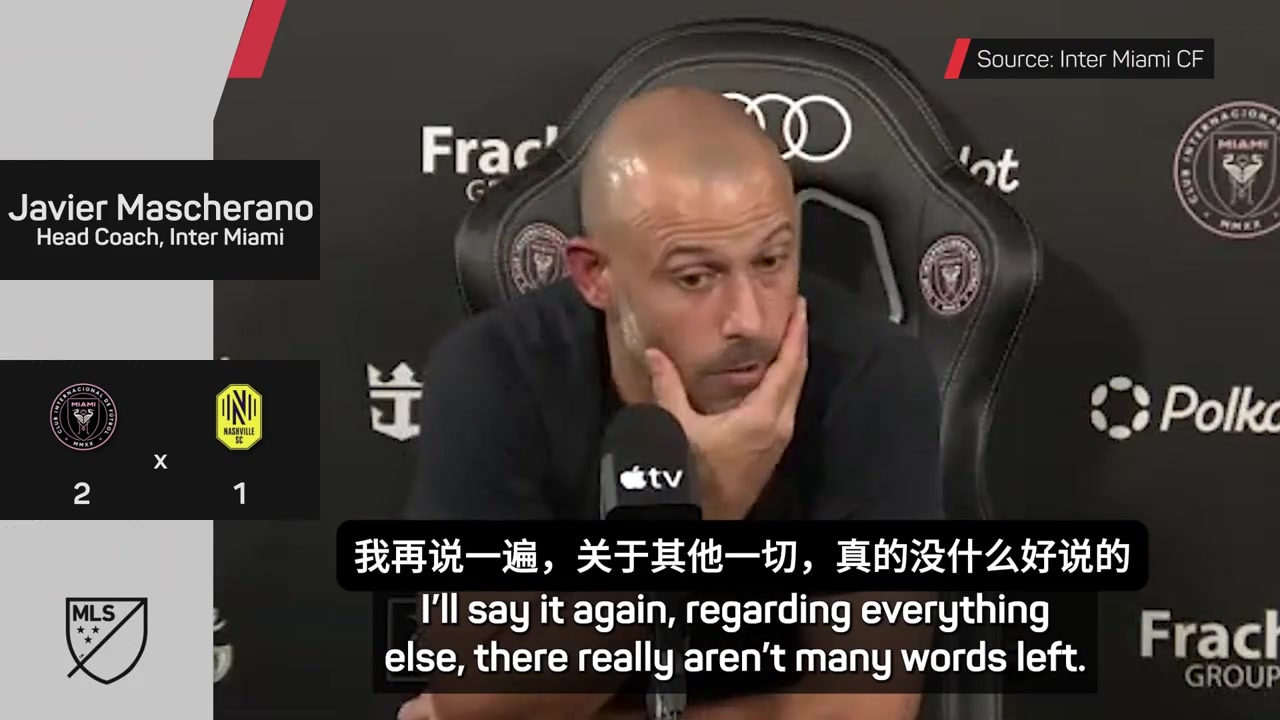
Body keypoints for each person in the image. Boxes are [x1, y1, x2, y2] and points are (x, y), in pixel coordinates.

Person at [400, 87, 943, 720]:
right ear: (596, 276)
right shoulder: (496, 374)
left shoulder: (870, 376)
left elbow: (860, 711)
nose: (749, 319)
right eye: (695, 277)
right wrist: (699, 513)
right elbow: (480, 698)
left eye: (771, 260)